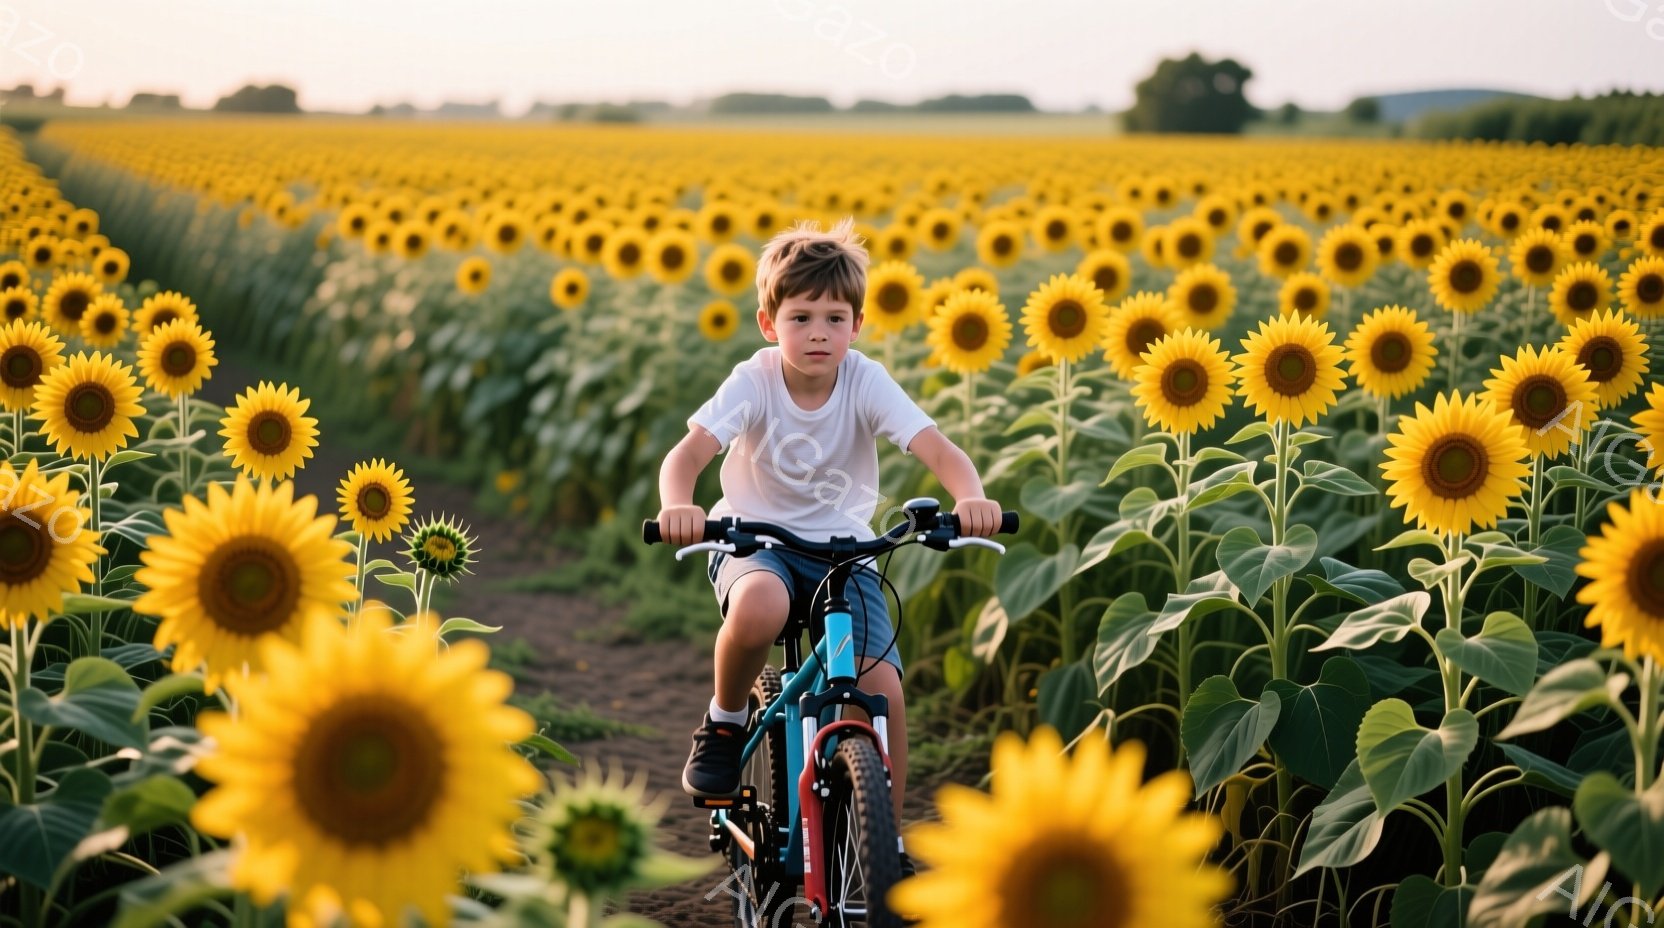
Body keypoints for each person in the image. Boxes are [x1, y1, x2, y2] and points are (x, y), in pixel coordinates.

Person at [655, 217, 1002, 874]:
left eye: (836, 318)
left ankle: (884, 848)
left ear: (858, 325)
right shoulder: (754, 381)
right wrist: (680, 505)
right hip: (756, 539)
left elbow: (937, 448)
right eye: (801, 317)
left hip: (846, 553)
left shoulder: (864, 380)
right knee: (757, 608)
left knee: (882, 691)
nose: (819, 333)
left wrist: (971, 496)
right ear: (769, 324)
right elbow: (688, 453)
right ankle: (726, 721)